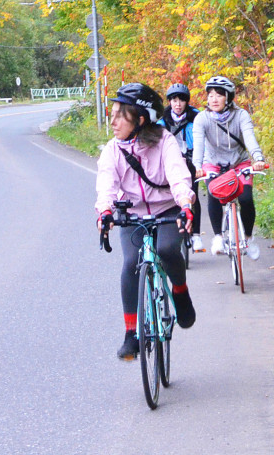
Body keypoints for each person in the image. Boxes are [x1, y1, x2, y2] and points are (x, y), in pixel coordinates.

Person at [96, 83, 197, 360]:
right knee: (130, 263)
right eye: (112, 113)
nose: (113, 121)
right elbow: (106, 182)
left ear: (140, 119)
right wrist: (105, 210)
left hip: (167, 209)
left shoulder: (164, 141)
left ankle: (180, 291)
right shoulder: (113, 149)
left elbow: (178, 175)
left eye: (120, 114)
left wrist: (185, 204)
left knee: (166, 250)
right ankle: (131, 333)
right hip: (133, 214)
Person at [191, 75, 269, 260]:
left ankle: (248, 239)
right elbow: (199, 145)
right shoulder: (202, 119)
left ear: (228, 97)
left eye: (219, 95)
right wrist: (196, 166)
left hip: (239, 162)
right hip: (213, 163)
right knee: (213, 193)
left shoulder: (241, 115)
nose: (214, 99)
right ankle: (218, 237)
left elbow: (250, 138)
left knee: (246, 198)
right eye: (210, 95)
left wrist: (258, 158)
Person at [158, 83, 205, 253]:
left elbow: (203, 142)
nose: (178, 104)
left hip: (192, 159)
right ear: (170, 101)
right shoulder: (162, 120)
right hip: (171, 161)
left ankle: (197, 235)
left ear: (187, 102)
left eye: (181, 101)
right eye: (174, 100)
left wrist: (201, 164)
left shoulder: (197, 117)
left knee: (193, 196)